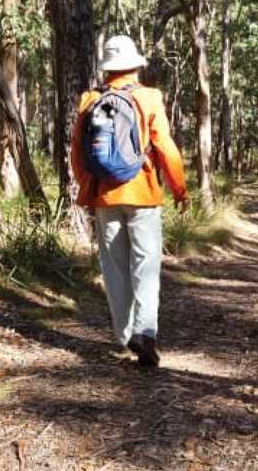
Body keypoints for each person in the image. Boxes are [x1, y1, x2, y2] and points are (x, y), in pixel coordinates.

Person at [71, 35, 189, 368]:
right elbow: (164, 146)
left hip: (105, 196)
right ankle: (145, 332)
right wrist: (180, 189)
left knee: (115, 270)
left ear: (108, 68)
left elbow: (77, 154)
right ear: (135, 66)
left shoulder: (89, 100)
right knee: (145, 266)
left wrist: (87, 189)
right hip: (143, 195)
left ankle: (124, 336)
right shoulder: (149, 98)